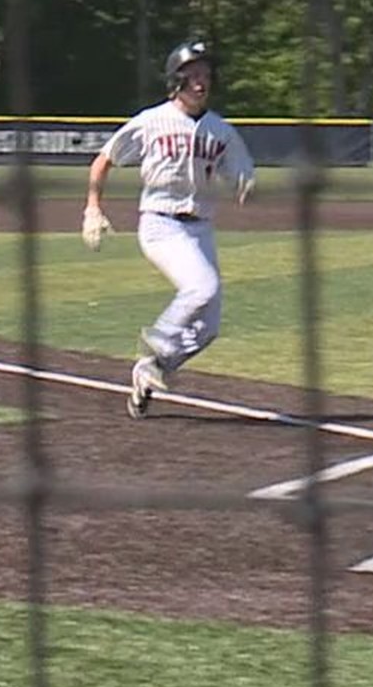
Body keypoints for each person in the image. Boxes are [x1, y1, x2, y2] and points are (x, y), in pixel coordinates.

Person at [81, 39, 255, 419]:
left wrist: (245, 184)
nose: (200, 83)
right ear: (175, 80)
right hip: (160, 224)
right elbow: (103, 161)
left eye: (206, 75)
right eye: (192, 75)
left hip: (201, 229)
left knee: (208, 327)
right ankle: (158, 339)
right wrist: (93, 208)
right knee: (201, 287)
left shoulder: (221, 131)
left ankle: (152, 370)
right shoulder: (151, 120)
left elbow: (241, 172)